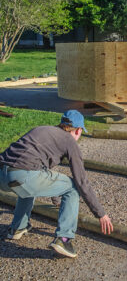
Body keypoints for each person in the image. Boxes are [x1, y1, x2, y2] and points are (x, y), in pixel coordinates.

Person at [0, 110, 113, 258]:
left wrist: (57, 199)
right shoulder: (69, 141)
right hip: (25, 175)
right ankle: (64, 239)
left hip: (3, 175)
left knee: (28, 187)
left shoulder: (42, 130)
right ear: (78, 130)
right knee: (72, 187)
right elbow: (81, 181)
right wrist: (100, 213)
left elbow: (43, 171)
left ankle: (17, 228)